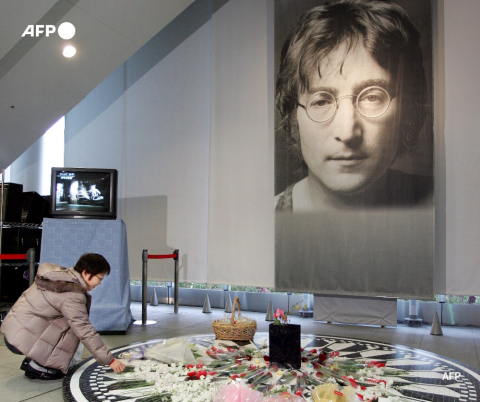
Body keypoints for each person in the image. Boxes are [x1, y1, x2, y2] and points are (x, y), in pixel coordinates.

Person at [275, 0, 433, 212]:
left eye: (372, 97)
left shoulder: (448, 207)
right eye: (321, 101)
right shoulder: (260, 222)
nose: (347, 133)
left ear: (407, 111)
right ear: (294, 117)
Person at [1, 253, 125, 380]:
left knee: (68, 322)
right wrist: (110, 360)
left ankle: (35, 359)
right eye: (100, 278)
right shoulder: (72, 295)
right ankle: (39, 366)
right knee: (73, 329)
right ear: (86, 273)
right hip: (20, 338)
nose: (100, 283)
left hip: (14, 331)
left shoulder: (61, 278)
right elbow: (84, 330)